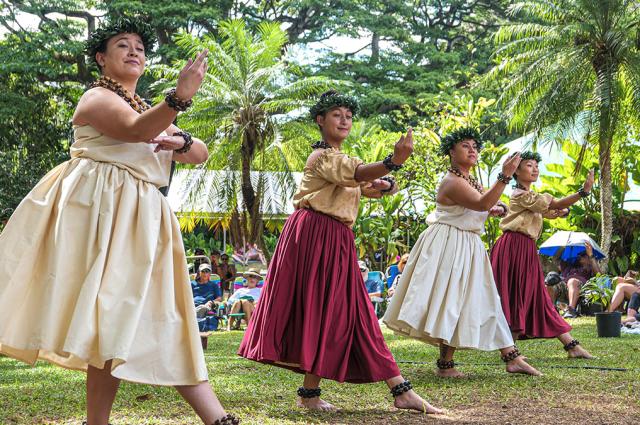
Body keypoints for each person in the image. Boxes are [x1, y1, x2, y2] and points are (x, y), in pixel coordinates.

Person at [0, 17, 239, 425]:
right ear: (101, 58)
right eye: (123, 45)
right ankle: (213, 418)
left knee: (144, 314)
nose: (134, 52)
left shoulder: (148, 107)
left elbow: (198, 153)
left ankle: (203, 418)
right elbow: (132, 130)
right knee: (115, 313)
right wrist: (178, 100)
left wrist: (179, 136)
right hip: (101, 214)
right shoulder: (96, 98)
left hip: (142, 218)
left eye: (141, 48)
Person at [239, 90, 442, 414]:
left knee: (334, 310)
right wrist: (393, 162)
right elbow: (360, 174)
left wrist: (388, 180)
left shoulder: (340, 161)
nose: (345, 119)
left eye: (349, 114)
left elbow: (367, 183)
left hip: (333, 238)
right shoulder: (323, 158)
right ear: (320, 120)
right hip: (316, 235)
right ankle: (399, 390)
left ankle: (312, 393)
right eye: (337, 114)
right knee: (334, 309)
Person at [384, 127, 541, 379]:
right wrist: (503, 177)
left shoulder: (468, 180)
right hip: (449, 243)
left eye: (474, 146)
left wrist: (496, 206)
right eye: (465, 146)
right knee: (453, 299)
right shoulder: (452, 181)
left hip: (467, 243)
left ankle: (495, 358)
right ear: (451, 151)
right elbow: (481, 203)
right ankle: (508, 356)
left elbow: (486, 202)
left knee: (471, 298)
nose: (472, 150)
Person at [490, 151, 593, 359]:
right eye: (529, 165)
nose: (535, 168)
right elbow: (553, 205)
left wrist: (562, 210)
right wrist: (583, 192)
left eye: (536, 165)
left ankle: (569, 346)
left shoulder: (531, 196)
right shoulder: (520, 195)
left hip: (524, 248)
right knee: (515, 295)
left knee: (533, 295)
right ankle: (567, 346)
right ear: (516, 171)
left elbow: (551, 210)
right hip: (513, 248)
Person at [558, 243, 601, 318]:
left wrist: (591, 255)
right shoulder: (571, 265)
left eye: (583, 255)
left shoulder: (591, 268)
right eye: (579, 255)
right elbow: (559, 262)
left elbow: (600, 276)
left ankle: (571, 310)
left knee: (573, 281)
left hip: (580, 288)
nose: (580, 256)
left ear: (588, 259)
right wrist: (567, 248)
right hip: (565, 287)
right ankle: (550, 310)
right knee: (550, 280)